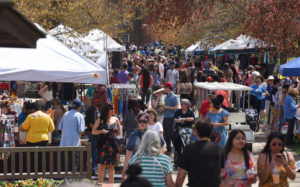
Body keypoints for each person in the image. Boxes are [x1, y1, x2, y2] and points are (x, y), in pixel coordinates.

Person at [175, 119, 225, 187]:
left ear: (196, 132)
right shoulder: (220, 150)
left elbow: (181, 174)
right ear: (211, 132)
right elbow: (223, 174)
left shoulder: (189, 149)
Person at [92, 103, 121, 184]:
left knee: (111, 166)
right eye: (112, 109)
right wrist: (101, 131)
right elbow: (93, 131)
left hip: (112, 146)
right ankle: (100, 185)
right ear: (107, 110)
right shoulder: (100, 119)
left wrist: (112, 135)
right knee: (101, 167)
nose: (113, 110)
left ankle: (110, 185)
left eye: (113, 108)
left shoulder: (116, 119)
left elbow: (118, 133)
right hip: (103, 146)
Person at [173, 99, 195, 167]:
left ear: (187, 105)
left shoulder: (190, 111)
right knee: (177, 146)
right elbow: (175, 119)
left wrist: (184, 119)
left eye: (183, 104)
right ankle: (177, 162)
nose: (181, 105)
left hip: (188, 131)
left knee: (187, 147)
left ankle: (187, 162)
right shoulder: (178, 111)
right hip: (179, 130)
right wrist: (180, 121)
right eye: (181, 104)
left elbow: (193, 119)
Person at [162, 82, 179, 154]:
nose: (164, 88)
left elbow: (176, 107)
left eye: (165, 87)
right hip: (165, 117)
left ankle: (175, 149)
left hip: (171, 117)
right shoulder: (166, 97)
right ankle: (169, 149)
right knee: (165, 134)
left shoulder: (174, 97)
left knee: (171, 134)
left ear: (168, 88)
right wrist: (163, 108)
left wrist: (167, 107)